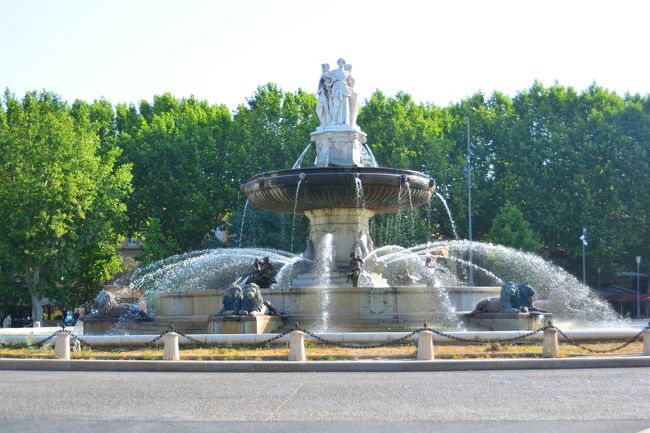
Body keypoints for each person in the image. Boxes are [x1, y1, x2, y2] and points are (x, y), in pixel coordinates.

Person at [327, 58, 351, 126]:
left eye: (342, 62)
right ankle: (334, 120)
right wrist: (331, 78)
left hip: (344, 89)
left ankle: (343, 121)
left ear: (344, 64)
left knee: (344, 105)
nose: (341, 64)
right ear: (338, 63)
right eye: (339, 62)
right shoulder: (334, 72)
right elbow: (326, 74)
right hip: (336, 88)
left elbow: (350, 81)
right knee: (336, 105)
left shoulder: (347, 73)